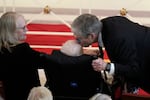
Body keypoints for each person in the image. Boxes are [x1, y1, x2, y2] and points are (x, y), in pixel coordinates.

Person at [71, 13, 150, 95]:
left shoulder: (118, 38)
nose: (78, 42)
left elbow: (134, 69)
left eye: (79, 39)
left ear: (91, 36)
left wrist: (106, 66)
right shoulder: (106, 24)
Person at [0, 11, 57, 100]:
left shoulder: (2, 51)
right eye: (23, 28)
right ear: (11, 31)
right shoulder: (23, 51)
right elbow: (47, 61)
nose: (27, 30)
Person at [44, 39, 110, 99]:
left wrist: (83, 52)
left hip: (58, 94)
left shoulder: (54, 63)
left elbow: (71, 57)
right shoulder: (89, 64)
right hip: (88, 95)